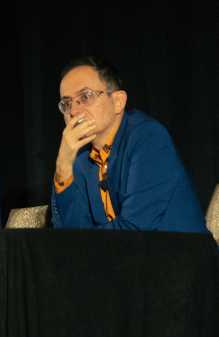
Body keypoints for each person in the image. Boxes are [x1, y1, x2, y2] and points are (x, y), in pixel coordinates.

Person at [51, 56, 207, 232]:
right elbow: (68, 234)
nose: (74, 111)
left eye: (85, 96)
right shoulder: (78, 157)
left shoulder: (148, 137)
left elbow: (134, 231)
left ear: (118, 102)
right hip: (117, 257)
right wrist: (63, 165)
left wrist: (81, 246)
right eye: (66, 103)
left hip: (178, 255)